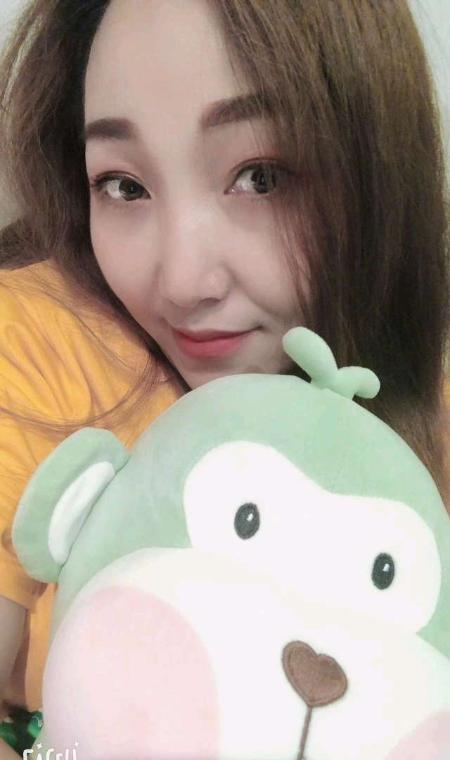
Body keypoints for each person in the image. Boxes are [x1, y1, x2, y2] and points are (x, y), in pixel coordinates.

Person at [0, 0, 448, 756]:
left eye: (260, 176)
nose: (182, 282)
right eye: (123, 185)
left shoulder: (433, 405)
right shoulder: (42, 343)